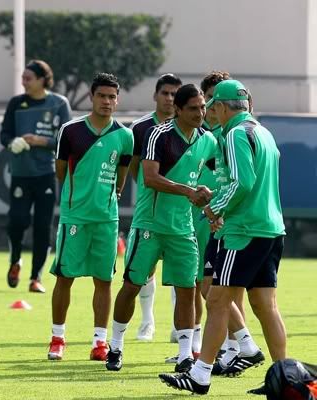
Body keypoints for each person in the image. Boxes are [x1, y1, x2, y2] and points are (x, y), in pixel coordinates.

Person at [159, 79, 286, 395]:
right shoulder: (263, 132)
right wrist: (219, 197)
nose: (210, 111)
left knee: (216, 299)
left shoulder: (234, 134)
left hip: (243, 231)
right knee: (264, 305)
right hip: (271, 229)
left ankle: (200, 374)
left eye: (213, 105)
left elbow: (243, 182)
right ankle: (283, 378)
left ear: (223, 106)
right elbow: (252, 183)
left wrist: (213, 208)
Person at [105, 84, 217, 374]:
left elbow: (217, 177)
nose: (200, 113)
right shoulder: (159, 135)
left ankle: (184, 356)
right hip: (150, 225)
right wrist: (190, 191)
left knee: (187, 291)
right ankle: (115, 346)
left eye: (203, 107)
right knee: (131, 286)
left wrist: (210, 207)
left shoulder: (207, 140)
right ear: (178, 110)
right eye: (193, 108)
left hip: (183, 228)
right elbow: (150, 177)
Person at [46, 73, 133, 361]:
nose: (107, 102)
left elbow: (121, 177)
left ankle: (99, 343)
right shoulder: (71, 131)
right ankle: (57, 338)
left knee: (104, 281)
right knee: (65, 277)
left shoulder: (124, 135)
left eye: (112, 97)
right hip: (74, 217)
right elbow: (60, 172)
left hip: (106, 219)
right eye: (102, 96)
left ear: (117, 100)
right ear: (92, 97)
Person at [0, 59, 71, 293]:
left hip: (46, 174)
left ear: (42, 80)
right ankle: (15, 261)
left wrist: (41, 141)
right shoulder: (16, 103)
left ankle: (36, 277)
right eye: (23, 77)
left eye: (28, 78)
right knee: (17, 221)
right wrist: (14, 143)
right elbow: (4, 135)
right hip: (20, 174)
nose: (24, 82)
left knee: (42, 226)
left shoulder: (59, 104)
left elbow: (66, 139)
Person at [129, 73, 182, 341]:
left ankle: (177, 326)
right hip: (149, 209)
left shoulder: (191, 129)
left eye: (175, 94)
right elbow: (134, 166)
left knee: (179, 267)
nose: (170, 99)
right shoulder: (140, 128)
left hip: (181, 211)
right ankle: (147, 321)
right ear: (156, 96)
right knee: (145, 267)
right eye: (166, 93)